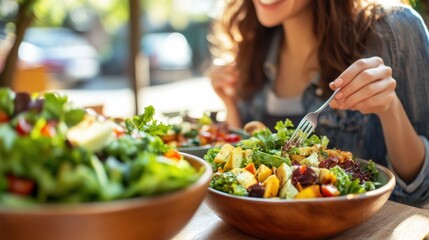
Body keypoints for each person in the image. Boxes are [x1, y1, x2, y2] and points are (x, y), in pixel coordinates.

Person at [207, 0, 429, 208]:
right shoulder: (253, 46)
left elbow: (421, 191)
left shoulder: (395, 29)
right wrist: (230, 101)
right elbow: (243, 170)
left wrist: (390, 108)